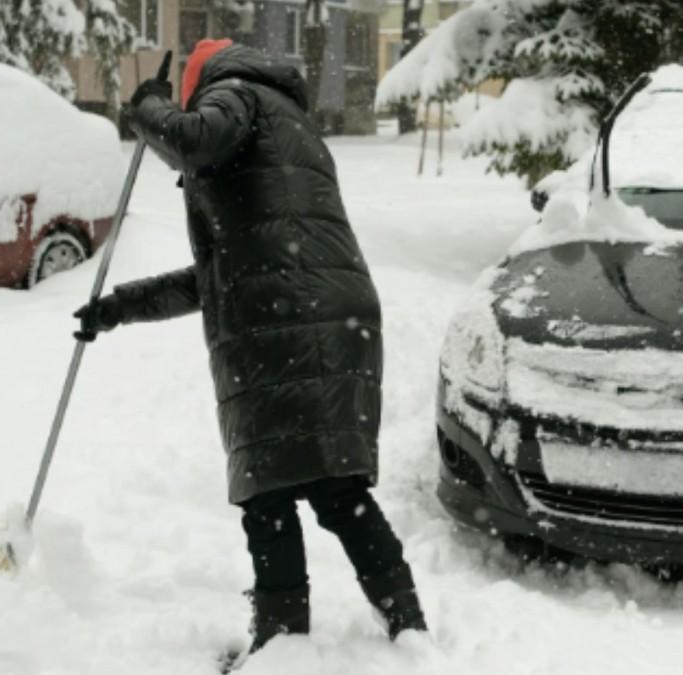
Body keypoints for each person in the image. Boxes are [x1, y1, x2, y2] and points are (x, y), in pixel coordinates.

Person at [73, 39, 427, 653]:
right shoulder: (280, 119)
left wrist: (148, 108)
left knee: (270, 492)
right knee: (335, 488)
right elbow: (219, 276)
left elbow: (193, 139)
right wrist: (119, 307)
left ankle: (282, 645)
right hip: (323, 312)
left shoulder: (236, 94)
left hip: (287, 317)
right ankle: (407, 628)